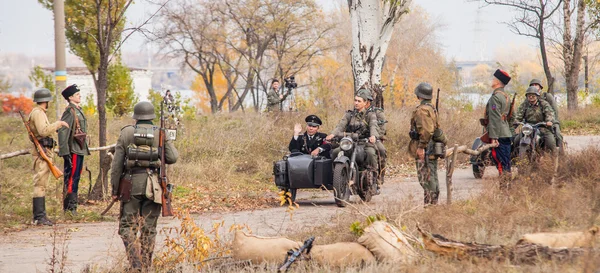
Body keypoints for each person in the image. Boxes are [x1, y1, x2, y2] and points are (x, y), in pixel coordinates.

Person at [111, 101, 179, 270]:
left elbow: (117, 165)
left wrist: (114, 189)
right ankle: (147, 266)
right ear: (152, 117)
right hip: (154, 188)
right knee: (149, 229)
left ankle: (136, 265)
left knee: (128, 227)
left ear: (136, 117)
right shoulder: (160, 133)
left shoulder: (126, 132)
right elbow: (172, 157)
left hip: (130, 186)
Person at [28, 88, 70, 225]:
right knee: (40, 184)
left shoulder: (39, 112)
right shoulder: (38, 113)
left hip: (44, 151)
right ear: (46, 101)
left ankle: (40, 216)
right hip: (41, 153)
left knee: (42, 184)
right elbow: (43, 131)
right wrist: (58, 124)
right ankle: (39, 217)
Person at [325, 89, 380, 190]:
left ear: (365, 103)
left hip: (364, 143)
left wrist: (373, 136)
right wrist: (332, 134)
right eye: (355, 100)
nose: (356, 103)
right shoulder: (349, 114)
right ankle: (336, 178)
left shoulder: (370, 115)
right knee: (335, 152)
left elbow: (373, 126)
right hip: (349, 143)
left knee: (371, 154)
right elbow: (340, 125)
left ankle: (374, 179)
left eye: (359, 101)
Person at [408, 83, 446, 206]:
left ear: (419, 95)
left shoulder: (422, 110)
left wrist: (421, 148)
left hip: (426, 147)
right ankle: (431, 203)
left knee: (426, 178)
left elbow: (426, 131)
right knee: (432, 175)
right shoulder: (431, 108)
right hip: (431, 146)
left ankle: (431, 204)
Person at [58, 84, 90, 215]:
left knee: (75, 177)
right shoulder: (69, 111)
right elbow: (63, 132)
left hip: (79, 149)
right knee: (71, 178)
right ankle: (70, 208)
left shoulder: (77, 110)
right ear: (70, 97)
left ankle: (72, 207)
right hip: (73, 150)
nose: (79, 96)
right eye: (77, 94)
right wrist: (65, 153)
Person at [484, 69, 513, 182]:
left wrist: (494, 137)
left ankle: (504, 188)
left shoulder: (496, 97)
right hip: (505, 132)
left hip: (499, 135)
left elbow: (495, 118)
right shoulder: (506, 96)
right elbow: (512, 116)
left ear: (497, 82)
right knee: (506, 163)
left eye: (493, 79)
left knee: (501, 163)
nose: (492, 81)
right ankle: (507, 186)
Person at [514, 86, 556, 154]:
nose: (531, 97)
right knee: (516, 140)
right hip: (528, 127)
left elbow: (549, 113)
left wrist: (548, 121)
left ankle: (554, 160)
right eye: (529, 95)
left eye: (533, 95)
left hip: (542, 126)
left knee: (550, 142)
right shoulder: (524, 104)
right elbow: (519, 115)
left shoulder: (543, 104)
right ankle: (515, 158)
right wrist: (516, 121)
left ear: (537, 96)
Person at [529, 79, 564, 153]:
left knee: (558, 135)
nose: (534, 86)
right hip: (534, 123)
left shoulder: (547, 96)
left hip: (550, 121)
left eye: (536, 85)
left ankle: (561, 154)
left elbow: (554, 111)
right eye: (532, 85)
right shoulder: (529, 97)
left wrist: (552, 121)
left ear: (540, 87)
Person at [366, 93, 388, 183]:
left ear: (368, 102)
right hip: (359, 138)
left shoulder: (378, 112)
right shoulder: (356, 112)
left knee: (382, 151)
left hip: (375, 138)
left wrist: (375, 136)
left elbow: (382, 128)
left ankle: (380, 174)